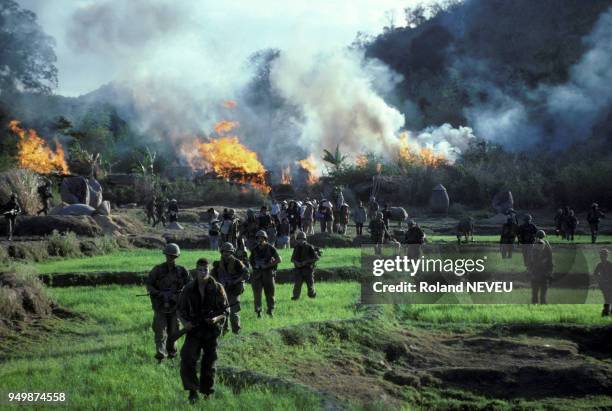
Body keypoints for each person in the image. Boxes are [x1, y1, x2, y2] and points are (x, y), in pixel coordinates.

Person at [178, 258, 228, 403]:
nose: (202, 272)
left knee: (209, 363)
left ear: (209, 270)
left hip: (211, 331)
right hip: (194, 331)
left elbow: (225, 311)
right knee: (187, 358)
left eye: (205, 270)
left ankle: (207, 392)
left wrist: (216, 319)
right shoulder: (188, 288)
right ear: (196, 270)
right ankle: (192, 391)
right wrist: (185, 323)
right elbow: (180, 310)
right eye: (200, 270)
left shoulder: (218, 288)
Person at [145, 243, 191, 361]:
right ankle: (161, 354)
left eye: (173, 256)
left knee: (173, 331)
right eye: (169, 256)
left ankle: (172, 353)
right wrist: (159, 293)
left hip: (175, 307)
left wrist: (178, 296)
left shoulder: (182, 271)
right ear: (165, 255)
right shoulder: (157, 270)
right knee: (160, 331)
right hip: (160, 306)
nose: (171, 258)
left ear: (177, 257)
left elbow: (190, 286)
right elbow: (149, 285)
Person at [211, 243, 248, 334]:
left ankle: (236, 331)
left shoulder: (237, 263)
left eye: (229, 252)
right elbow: (212, 277)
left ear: (232, 252)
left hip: (234, 291)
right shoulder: (217, 265)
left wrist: (235, 281)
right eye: (224, 252)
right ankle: (224, 331)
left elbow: (246, 274)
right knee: (222, 313)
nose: (226, 254)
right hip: (222, 291)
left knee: (233, 313)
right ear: (221, 252)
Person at [249, 230, 281, 317]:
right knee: (257, 294)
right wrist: (255, 266)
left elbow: (279, 259)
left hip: (268, 273)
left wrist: (267, 265)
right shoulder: (254, 249)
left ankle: (270, 310)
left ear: (265, 239)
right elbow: (250, 261)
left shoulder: (271, 248)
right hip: (257, 274)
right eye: (258, 238)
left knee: (270, 293)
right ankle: (258, 312)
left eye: (262, 238)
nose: (260, 240)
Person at [291, 231, 319, 300]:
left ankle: (312, 295)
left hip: (308, 269)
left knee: (310, 285)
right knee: (297, 285)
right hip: (298, 270)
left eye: (302, 239)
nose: (300, 240)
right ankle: (296, 297)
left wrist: (306, 262)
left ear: (304, 239)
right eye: (299, 239)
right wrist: (296, 263)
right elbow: (292, 259)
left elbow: (316, 258)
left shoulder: (309, 247)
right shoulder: (296, 247)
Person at [528, 230, 553, 304]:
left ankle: (534, 307)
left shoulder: (533, 245)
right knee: (543, 294)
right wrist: (550, 272)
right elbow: (550, 260)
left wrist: (530, 270)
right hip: (544, 273)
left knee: (535, 293)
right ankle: (543, 307)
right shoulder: (547, 245)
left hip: (535, 273)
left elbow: (530, 260)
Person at [593, 249, 612, 317]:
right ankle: (606, 312)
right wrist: (599, 280)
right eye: (601, 255)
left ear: (606, 256)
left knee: (608, 298)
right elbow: (595, 274)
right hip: (603, 285)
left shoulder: (610, 265)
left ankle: (606, 312)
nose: (602, 257)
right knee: (608, 298)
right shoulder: (599, 265)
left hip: (610, 284)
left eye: (603, 255)